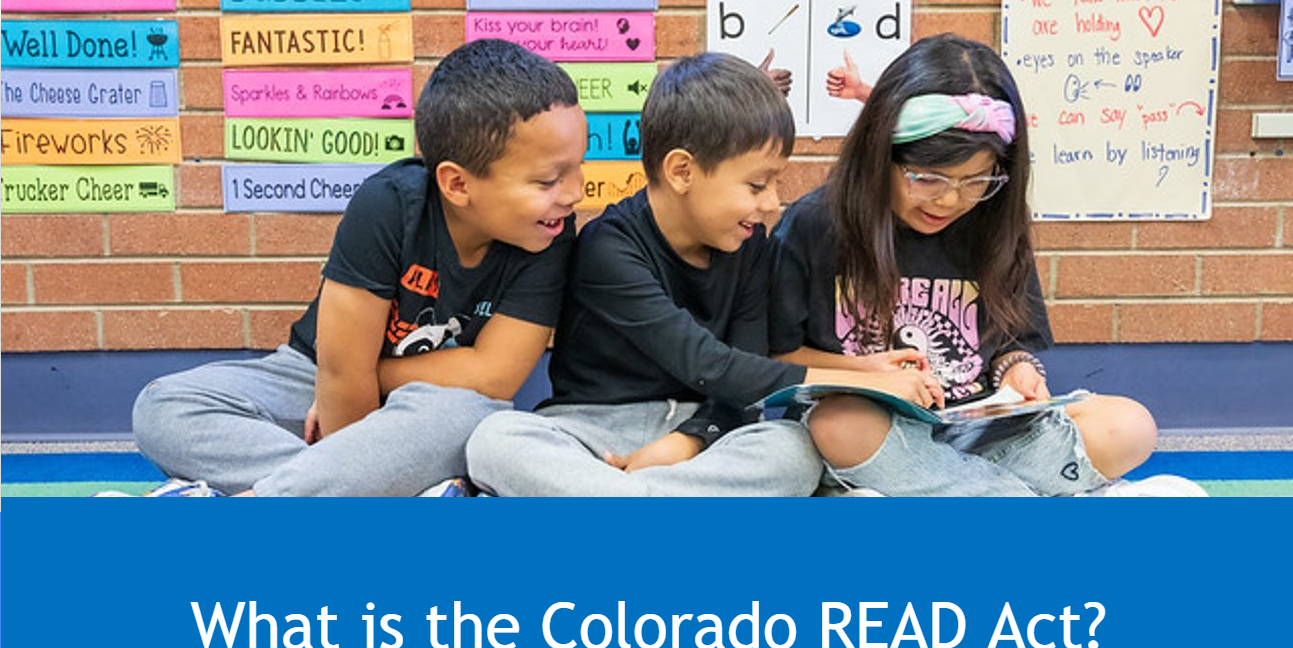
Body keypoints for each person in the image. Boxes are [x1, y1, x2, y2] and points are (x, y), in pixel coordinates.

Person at [124, 39, 586, 497]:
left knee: (474, 418)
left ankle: (280, 496)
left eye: (577, 168)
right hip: (314, 377)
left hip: (433, 405)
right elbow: (340, 375)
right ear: (457, 184)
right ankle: (370, 492)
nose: (574, 193)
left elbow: (493, 376)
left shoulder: (549, 233)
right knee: (163, 407)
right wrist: (354, 439)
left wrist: (367, 375)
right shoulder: (388, 205)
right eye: (548, 180)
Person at [465, 52, 926, 497]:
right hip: (590, 428)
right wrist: (867, 381)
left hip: (706, 434)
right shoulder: (608, 246)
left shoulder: (751, 248)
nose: (771, 205)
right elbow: (708, 363)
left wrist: (688, 440)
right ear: (683, 171)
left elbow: (742, 370)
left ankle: (609, 502)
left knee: (793, 451)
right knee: (495, 439)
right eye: (756, 184)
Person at [770, 34, 1203, 497]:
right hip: (881, 435)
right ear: (880, 156)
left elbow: (1011, 345)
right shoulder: (815, 223)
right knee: (840, 423)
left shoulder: (992, 223)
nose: (952, 199)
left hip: (980, 436)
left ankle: (952, 494)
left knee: (1129, 425)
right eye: (927, 178)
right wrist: (870, 374)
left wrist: (1017, 371)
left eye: (977, 180)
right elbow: (778, 356)